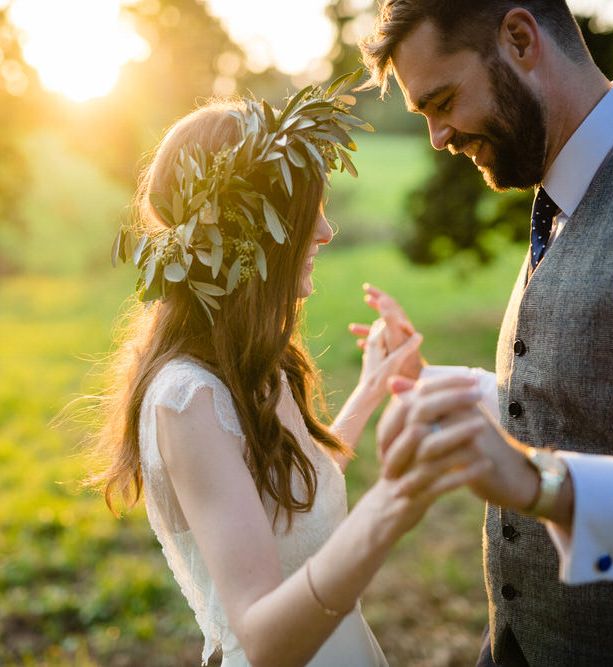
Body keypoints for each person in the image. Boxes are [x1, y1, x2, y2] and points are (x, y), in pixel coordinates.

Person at [357, 1, 613, 665]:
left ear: (520, 39)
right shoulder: (556, 191)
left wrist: (540, 484)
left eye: (442, 101)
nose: (437, 138)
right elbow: (581, 393)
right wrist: (435, 386)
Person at [90, 80, 487, 667]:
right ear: (253, 234)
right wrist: (396, 502)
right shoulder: (188, 399)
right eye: (308, 215)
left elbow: (296, 496)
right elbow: (267, 641)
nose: (326, 232)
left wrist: (374, 383)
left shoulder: (257, 365)